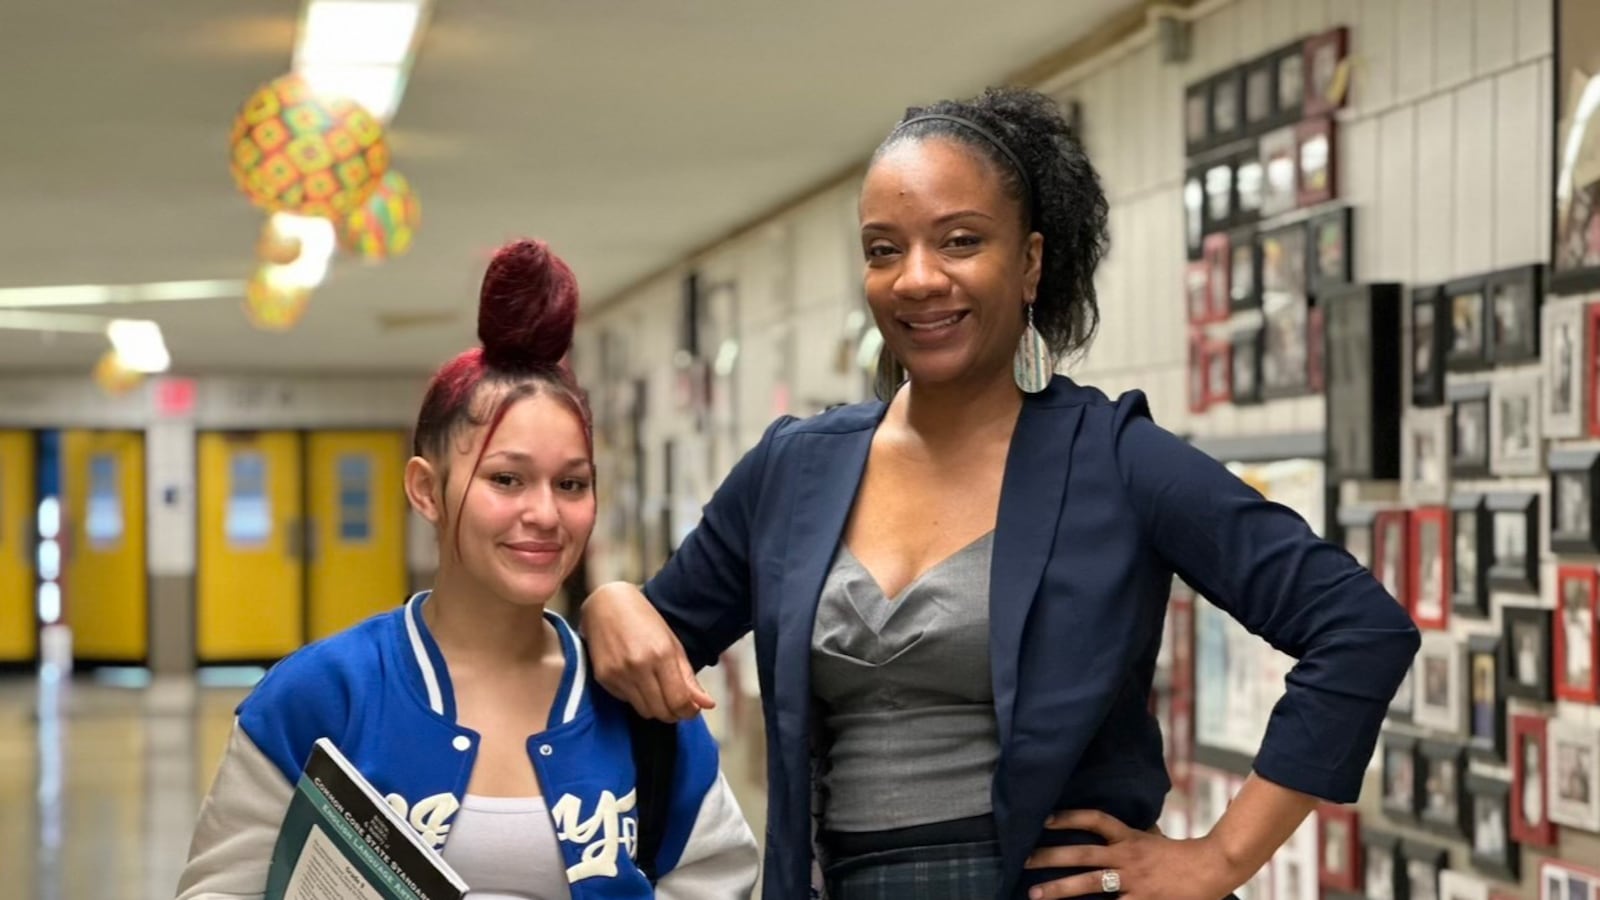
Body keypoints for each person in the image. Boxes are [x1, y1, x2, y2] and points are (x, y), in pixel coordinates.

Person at [581, 87, 1419, 900]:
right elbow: (647, 651)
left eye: (959, 241)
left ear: (1029, 262)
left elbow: (1358, 628)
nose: (916, 279)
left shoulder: (1113, 460)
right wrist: (608, 602)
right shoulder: (793, 472)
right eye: (883, 249)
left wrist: (1223, 856)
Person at [176, 240, 759, 900]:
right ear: (427, 489)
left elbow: (719, 879)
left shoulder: (639, 704)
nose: (544, 513)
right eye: (506, 479)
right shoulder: (321, 696)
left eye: (572, 485)